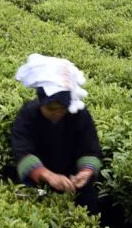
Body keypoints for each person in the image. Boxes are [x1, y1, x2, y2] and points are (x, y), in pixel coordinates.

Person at [11, 54, 102, 213]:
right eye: (51, 108)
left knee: (88, 211)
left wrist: (85, 173)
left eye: (63, 108)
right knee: (33, 209)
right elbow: (22, 151)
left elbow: (90, 149)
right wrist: (46, 175)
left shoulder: (79, 114)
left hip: (73, 185)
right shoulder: (28, 115)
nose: (58, 113)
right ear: (41, 103)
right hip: (38, 184)